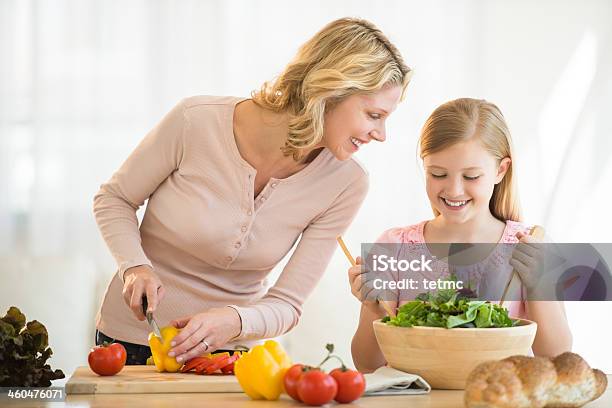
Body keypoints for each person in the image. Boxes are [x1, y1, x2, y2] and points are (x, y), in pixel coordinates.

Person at [93, 17, 412, 365]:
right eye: (373, 114)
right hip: (131, 342)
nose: (381, 134)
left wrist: (234, 321)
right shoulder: (195, 121)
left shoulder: (346, 182)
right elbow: (115, 199)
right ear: (331, 90)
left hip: (234, 356)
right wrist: (135, 267)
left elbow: (288, 305)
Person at [348, 98, 572, 372]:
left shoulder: (529, 245)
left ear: (500, 171)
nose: (454, 190)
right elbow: (366, 365)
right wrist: (374, 309)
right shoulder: (393, 247)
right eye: (438, 174)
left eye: (471, 177)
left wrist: (539, 285)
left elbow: (557, 359)